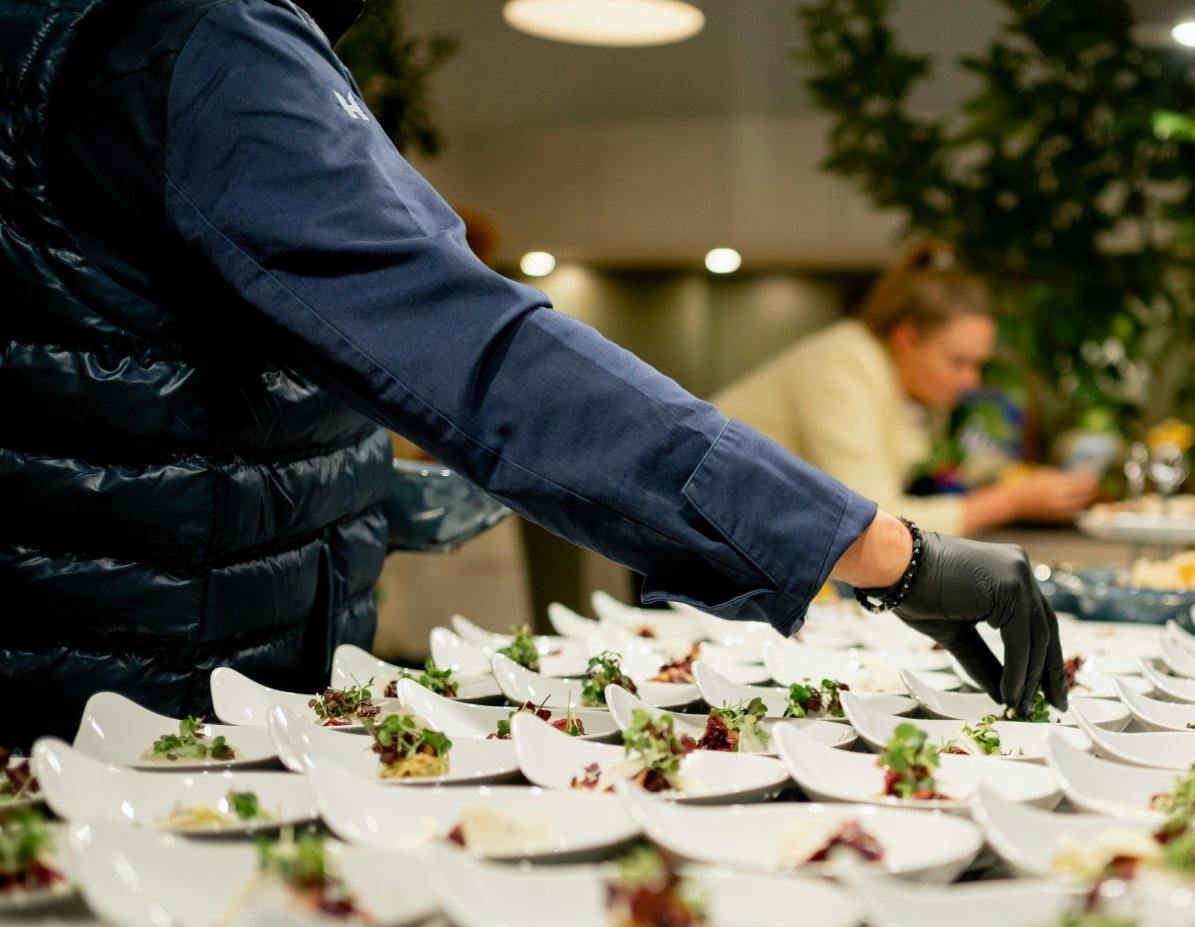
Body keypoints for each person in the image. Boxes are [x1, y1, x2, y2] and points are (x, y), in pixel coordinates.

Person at [0, 0, 1066, 745]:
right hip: (132, 718)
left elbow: (136, 390)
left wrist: (393, 490)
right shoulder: (197, 37)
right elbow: (488, 356)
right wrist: (887, 551)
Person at [715, 239, 1099, 535]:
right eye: (959, 362)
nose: (972, 380)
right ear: (907, 340)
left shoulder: (900, 384)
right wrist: (1010, 501)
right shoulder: (844, 363)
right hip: (694, 544)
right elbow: (871, 521)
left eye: (978, 365)